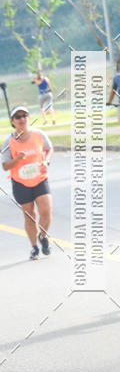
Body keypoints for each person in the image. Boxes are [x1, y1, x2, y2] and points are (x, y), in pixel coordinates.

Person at [1, 106, 53, 259]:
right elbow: (4, 166)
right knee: (30, 216)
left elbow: (49, 149)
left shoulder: (39, 134)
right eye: (18, 117)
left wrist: (46, 161)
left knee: (46, 211)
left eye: (25, 115)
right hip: (21, 183)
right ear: (13, 121)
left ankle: (42, 237)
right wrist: (16, 159)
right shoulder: (8, 141)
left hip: (40, 179)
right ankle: (34, 247)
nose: (22, 119)